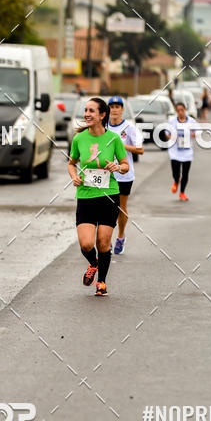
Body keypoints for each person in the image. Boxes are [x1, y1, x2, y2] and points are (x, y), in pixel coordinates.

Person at [67, 97, 129, 297]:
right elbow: (71, 163)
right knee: (86, 244)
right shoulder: (79, 139)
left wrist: (118, 167)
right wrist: (74, 176)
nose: (87, 114)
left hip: (109, 196)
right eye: (86, 110)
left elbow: (125, 164)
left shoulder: (114, 139)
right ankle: (93, 264)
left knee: (103, 243)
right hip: (85, 196)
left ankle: (101, 282)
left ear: (103, 115)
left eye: (92, 111)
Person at [107, 96, 144, 256]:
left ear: (122, 110)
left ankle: (121, 236)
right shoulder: (104, 127)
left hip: (124, 174)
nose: (114, 109)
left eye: (118, 106)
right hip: (107, 174)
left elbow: (140, 149)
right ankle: (106, 238)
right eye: (112, 106)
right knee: (106, 208)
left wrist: (122, 146)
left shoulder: (129, 128)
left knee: (120, 207)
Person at [166, 101, 196, 200]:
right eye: (178, 110)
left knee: (185, 173)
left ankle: (182, 193)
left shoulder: (191, 121)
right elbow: (167, 133)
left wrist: (190, 135)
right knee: (176, 173)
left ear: (185, 110)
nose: (180, 112)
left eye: (182, 110)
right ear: (176, 111)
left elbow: (197, 132)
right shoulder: (172, 121)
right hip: (174, 152)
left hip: (187, 152)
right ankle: (176, 180)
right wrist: (173, 137)